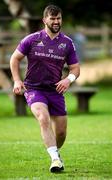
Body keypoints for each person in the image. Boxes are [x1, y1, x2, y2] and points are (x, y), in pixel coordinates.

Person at [10, 4, 80, 173]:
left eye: (59, 18)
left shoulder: (67, 43)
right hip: (34, 88)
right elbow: (14, 59)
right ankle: (55, 159)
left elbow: (75, 68)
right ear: (44, 20)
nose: (56, 21)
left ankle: (55, 152)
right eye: (53, 18)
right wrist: (17, 80)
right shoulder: (32, 39)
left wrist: (68, 80)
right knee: (43, 117)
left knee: (61, 133)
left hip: (55, 91)